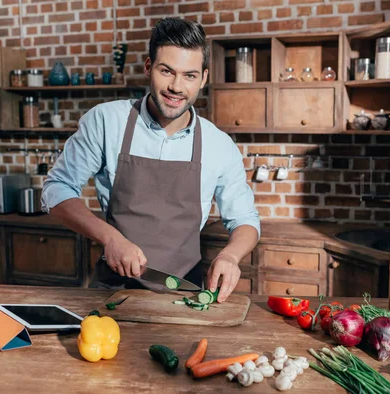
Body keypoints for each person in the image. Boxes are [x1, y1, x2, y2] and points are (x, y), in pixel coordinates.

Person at [41, 18, 260, 303]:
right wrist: (111, 238)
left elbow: (245, 219)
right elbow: (56, 190)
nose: (176, 87)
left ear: (204, 78)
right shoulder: (107, 121)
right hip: (112, 292)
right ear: (148, 67)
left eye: (190, 76)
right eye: (166, 71)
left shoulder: (219, 145)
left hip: (185, 295)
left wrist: (230, 256)